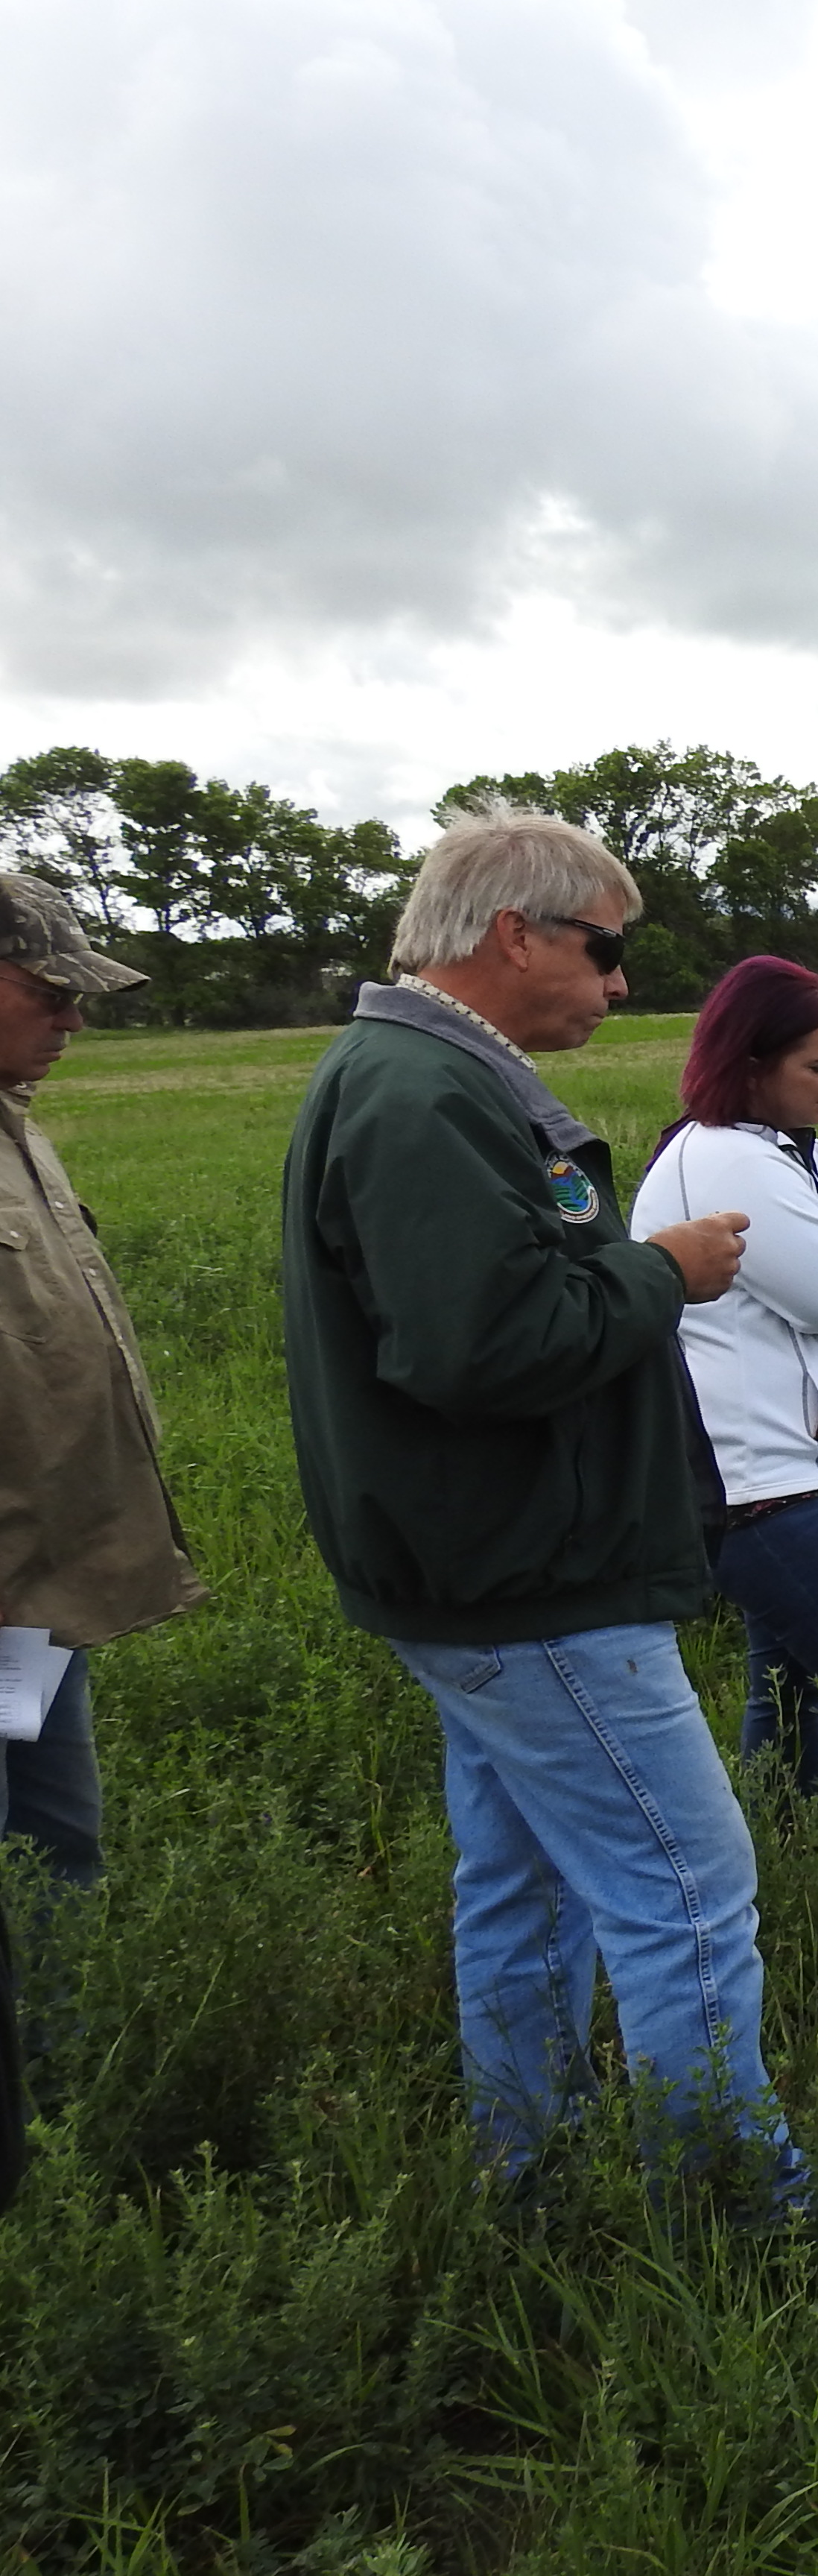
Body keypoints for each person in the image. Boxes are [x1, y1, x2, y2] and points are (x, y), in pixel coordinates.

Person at [278, 802, 805, 2210]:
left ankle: (533, 2172)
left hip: (483, 1568)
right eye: (604, 947)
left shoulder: (424, 1073)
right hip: (529, 1576)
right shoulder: (420, 1095)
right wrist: (662, 1272)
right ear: (515, 932)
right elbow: (479, 1348)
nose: (622, 980)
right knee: (688, 1888)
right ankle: (732, 2208)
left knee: (526, 1885)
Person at [0, 875, 203, 2203]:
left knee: (60, 1850)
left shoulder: (20, 1128)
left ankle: (59, 2130)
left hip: (42, 1592)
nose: (74, 1015)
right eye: (49, 987)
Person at [635, 956, 818, 1792]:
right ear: (752, 1066)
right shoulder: (730, 1159)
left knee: (788, 1676)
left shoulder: (798, 1154)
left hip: (816, 1466)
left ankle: (782, 1835)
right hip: (771, 1477)